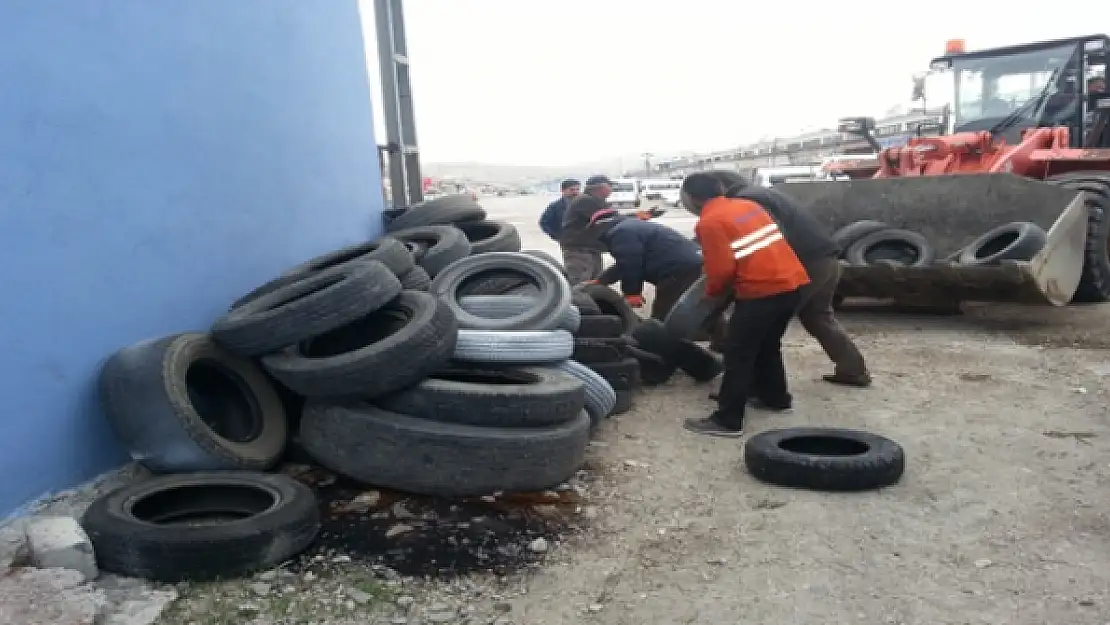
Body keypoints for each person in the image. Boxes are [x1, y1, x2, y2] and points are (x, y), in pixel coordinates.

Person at [706, 170, 871, 387]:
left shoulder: (746, 200)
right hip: (826, 259)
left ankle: (754, 387)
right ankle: (853, 369)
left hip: (802, 264)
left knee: (761, 328)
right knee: (818, 316)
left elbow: (763, 239)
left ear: (722, 187)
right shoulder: (763, 193)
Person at [680, 172, 810, 438]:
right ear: (720, 188)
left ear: (692, 198)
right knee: (768, 345)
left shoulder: (710, 222)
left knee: (739, 354)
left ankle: (728, 420)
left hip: (761, 291)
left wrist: (712, 294)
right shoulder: (748, 207)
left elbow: (721, 269)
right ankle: (775, 398)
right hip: (792, 284)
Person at [586, 208, 707, 321]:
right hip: (690, 263)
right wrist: (602, 280)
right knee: (684, 306)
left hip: (678, 268)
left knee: (664, 312)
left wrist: (632, 293)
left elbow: (630, 263)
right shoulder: (629, 226)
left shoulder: (622, 232)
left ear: (599, 226)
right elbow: (625, 263)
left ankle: (661, 340)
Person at [559, 175, 613, 283]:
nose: (612, 189)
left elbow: (613, 216)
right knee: (580, 286)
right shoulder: (585, 201)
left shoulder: (596, 201)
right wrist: (636, 218)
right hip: (579, 252)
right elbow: (609, 219)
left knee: (595, 284)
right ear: (601, 188)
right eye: (610, 186)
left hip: (591, 251)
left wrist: (639, 216)